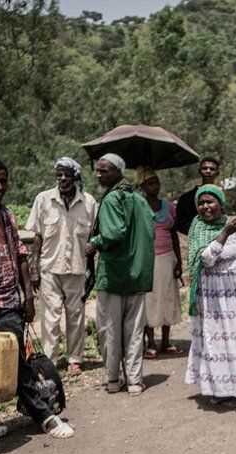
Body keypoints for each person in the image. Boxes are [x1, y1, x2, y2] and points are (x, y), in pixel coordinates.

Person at [0, 157, 74, 439]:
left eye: (3, 181)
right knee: (17, 364)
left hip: (12, 300)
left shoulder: (5, 213)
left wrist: (28, 295)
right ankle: (46, 418)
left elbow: (20, 253)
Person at [184, 185, 236, 407]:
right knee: (221, 340)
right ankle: (220, 391)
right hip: (216, 296)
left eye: (210, 202)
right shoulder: (199, 227)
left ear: (221, 203)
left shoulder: (235, 224)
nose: (205, 207)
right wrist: (224, 234)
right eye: (201, 203)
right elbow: (205, 259)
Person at [88, 153, 155, 397]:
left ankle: (113, 379)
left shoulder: (110, 199)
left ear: (118, 172)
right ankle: (135, 381)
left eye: (104, 170)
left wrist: (94, 241)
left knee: (109, 329)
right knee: (135, 331)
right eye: (98, 170)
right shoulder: (139, 201)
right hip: (137, 276)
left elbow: (114, 233)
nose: (99, 174)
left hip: (113, 275)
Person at [26, 157, 97, 376]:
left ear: (76, 176)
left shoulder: (89, 203)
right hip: (49, 267)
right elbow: (37, 237)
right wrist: (34, 268)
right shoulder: (44, 199)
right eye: (59, 175)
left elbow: (94, 238)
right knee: (50, 317)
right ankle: (50, 361)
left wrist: (92, 267)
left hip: (77, 268)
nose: (63, 179)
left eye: (67, 174)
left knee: (75, 315)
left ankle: (74, 359)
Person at [138, 166, 183, 359]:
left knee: (168, 297)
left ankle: (166, 340)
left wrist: (179, 261)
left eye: (156, 182)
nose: (154, 186)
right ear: (143, 187)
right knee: (150, 299)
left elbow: (173, 235)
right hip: (147, 259)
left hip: (167, 257)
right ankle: (150, 343)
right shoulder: (139, 206)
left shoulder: (168, 207)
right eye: (150, 183)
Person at [175, 156, 220, 235]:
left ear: (217, 173)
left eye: (212, 169)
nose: (208, 171)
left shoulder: (220, 197)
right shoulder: (186, 198)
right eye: (205, 168)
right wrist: (199, 232)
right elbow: (180, 223)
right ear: (199, 171)